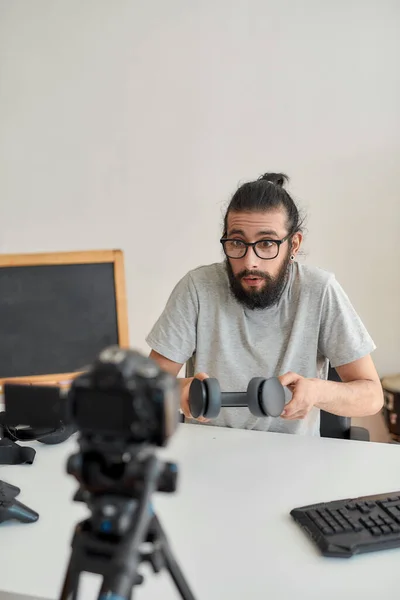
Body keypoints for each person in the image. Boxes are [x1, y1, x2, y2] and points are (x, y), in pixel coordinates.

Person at [146, 172, 383, 435]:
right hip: (209, 451)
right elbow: (147, 385)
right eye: (237, 243)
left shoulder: (320, 290)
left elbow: (372, 396)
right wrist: (177, 390)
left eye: (267, 243)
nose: (250, 262)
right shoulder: (197, 288)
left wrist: (318, 391)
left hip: (294, 460)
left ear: (294, 244)